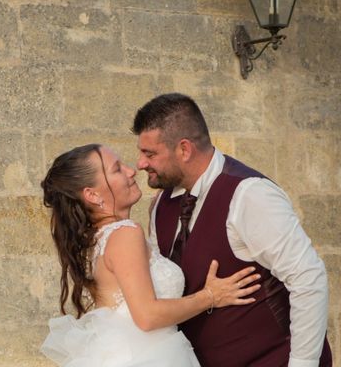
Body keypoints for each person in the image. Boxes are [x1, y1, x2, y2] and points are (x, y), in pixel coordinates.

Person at [132, 93, 332, 367]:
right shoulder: (160, 207)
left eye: (150, 154)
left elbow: (308, 279)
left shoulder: (249, 194)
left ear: (184, 149)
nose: (140, 164)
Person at [40, 143, 261, 367]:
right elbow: (147, 316)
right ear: (92, 194)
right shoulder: (125, 234)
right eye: (117, 169)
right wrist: (211, 296)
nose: (131, 170)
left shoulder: (97, 239)